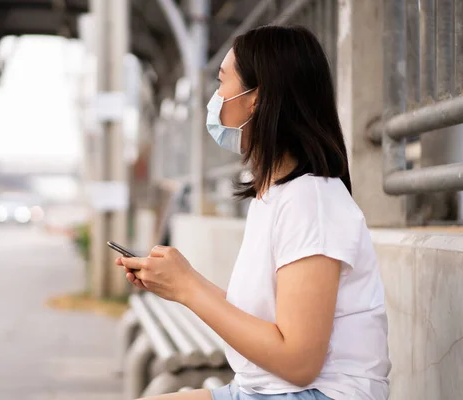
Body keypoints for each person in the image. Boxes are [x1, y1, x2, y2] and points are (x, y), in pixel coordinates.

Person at [117, 26, 390, 400]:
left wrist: (189, 288)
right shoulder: (277, 194)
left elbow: (298, 363)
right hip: (264, 389)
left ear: (257, 98)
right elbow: (271, 325)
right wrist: (178, 282)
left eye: (222, 82)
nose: (216, 98)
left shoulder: (312, 201)